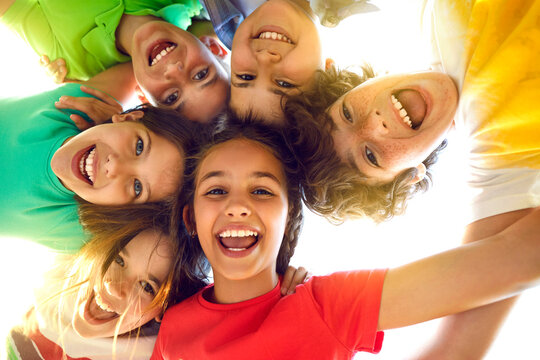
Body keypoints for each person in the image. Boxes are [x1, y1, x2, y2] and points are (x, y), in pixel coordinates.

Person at [150, 118, 540, 359]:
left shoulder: (327, 305)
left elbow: (517, 257)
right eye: (216, 191)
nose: (237, 206)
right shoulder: (174, 324)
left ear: (289, 220)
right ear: (190, 218)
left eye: (263, 191)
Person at [284, 0, 540, 357]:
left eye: (347, 112)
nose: (375, 123)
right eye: (370, 156)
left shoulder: (428, 13)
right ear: (408, 178)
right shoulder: (501, 156)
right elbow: (455, 348)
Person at [6, 202, 309, 359]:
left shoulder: (155, 352)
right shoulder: (57, 272)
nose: (114, 285)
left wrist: (282, 303)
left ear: (162, 310)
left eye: (147, 286)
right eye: (119, 259)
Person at [0, 63, 208, 253]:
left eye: (137, 187)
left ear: (125, 209)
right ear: (128, 118)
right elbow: (138, 66)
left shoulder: (80, 232)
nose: (114, 166)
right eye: (138, 146)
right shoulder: (81, 104)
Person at [0, 0, 230, 122]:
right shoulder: (191, 2)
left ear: (142, 96)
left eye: (171, 97)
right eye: (201, 74)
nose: (173, 69)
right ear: (213, 46)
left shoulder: (70, 61)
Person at [205, 0, 326, 123]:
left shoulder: (222, 12)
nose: (264, 57)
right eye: (284, 83)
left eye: (246, 77)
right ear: (328, 73)